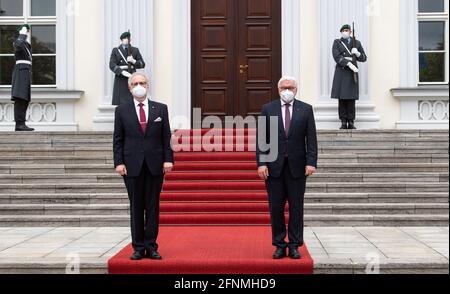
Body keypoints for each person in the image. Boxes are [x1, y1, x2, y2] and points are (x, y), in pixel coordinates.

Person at [113, 73, 174, 261]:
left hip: (155, 165)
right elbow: (118, 139)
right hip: (131, 166)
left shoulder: (160, 109)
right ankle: (138, 247)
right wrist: (119, 162)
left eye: (142, 83)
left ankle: (151, 246)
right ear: (130, 88)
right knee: (136, 207)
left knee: (153, 207)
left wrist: (168, 159)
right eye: (135, 83)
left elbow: (166, 137)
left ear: (148, 86)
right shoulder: (122, 110)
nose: (139, 86)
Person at [257, 76, 318, 260]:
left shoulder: (306, 109)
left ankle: (294, 244)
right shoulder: (268, 109)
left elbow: (311, 139)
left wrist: (311, 162)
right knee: (275, 208)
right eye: (284, 87)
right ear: (278, 89)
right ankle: (279, 244)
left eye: (291, 87)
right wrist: (261, 163)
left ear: (296, 89)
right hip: (274, 168)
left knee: (296, 208)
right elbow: (262, 139)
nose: (287, 90)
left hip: (297, 168)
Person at [331, 24, 367, 130]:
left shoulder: (357, 43)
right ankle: (343, 121)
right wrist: (348, 63)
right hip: (342, 71)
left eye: (347, 30)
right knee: (342, 98)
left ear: (350, 32)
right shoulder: (337, 42)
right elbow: (336, 56)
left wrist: (358, 54)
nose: (345, 32)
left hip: (352, 73)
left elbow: (364, 58)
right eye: (343, 30)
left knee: (351, 98)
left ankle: (351, 121)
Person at [110, 32, 146, 106]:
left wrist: (134, 61)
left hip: (132, 77)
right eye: (125, 38)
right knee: (121, 103)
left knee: (133, 101)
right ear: (121, 40)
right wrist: (121, 72)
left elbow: (142, 64)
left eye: (128, 38)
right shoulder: (116, 50)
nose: (127, 40)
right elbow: (112, 64)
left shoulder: (135, 50)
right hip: (120, 78)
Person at [11, 24, 34, 132]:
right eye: (26, 30)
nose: (27, 33)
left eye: (27, 31)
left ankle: (22, 123)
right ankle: (19, 124)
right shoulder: (18, 42)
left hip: (26, 72)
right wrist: (22, 35)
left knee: (24, 98)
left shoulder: (27, 45)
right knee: (20, 98)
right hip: (20, 72)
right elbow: (18, 45)